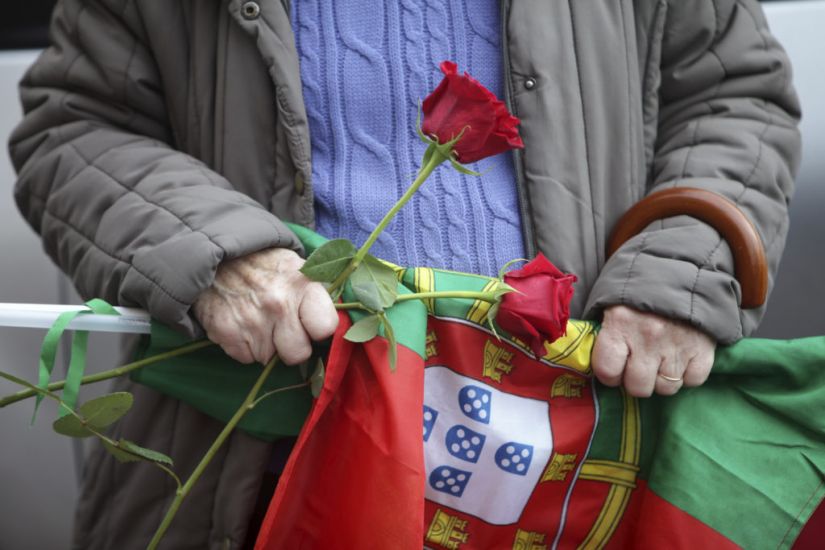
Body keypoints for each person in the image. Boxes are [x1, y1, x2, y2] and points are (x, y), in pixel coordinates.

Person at [8, 0, 800, 548]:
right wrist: (215, 252)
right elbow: (74, 126)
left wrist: (681, 262)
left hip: (565, 467)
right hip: (261, 457)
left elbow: (731, 93)